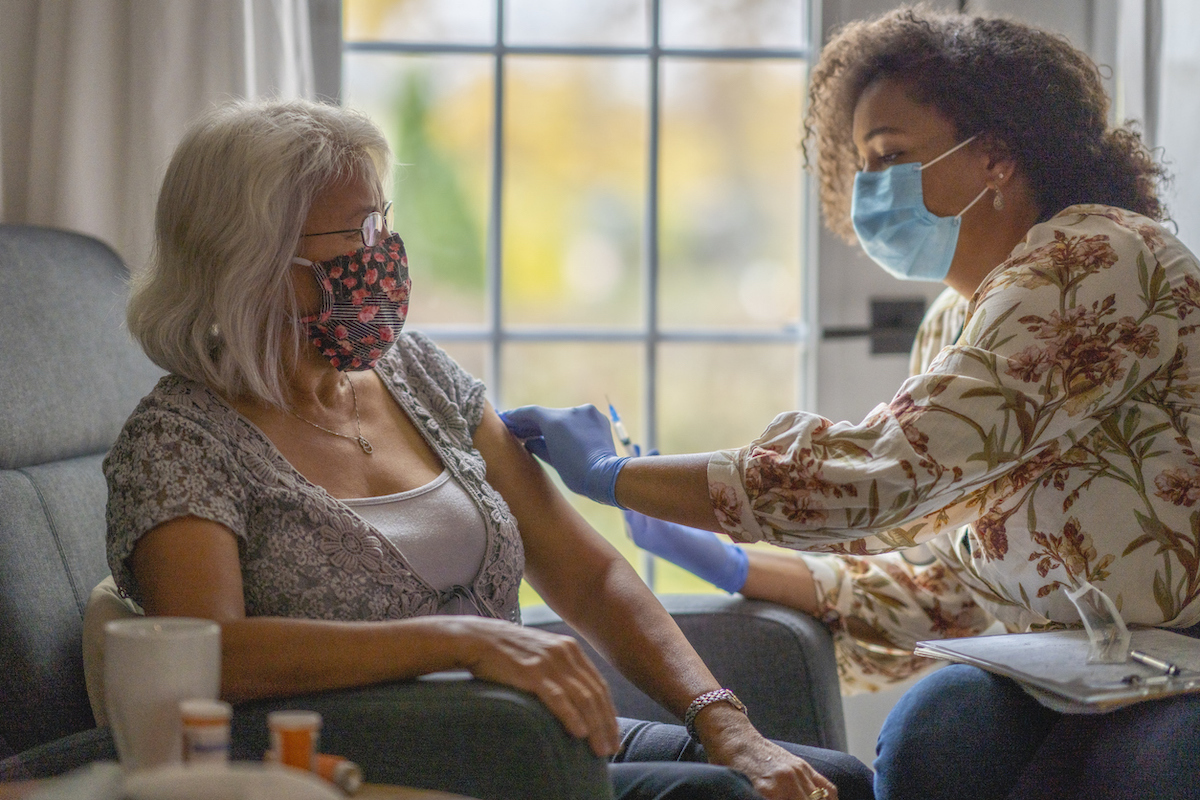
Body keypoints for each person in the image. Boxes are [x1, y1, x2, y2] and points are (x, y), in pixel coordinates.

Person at [501, 7, 1200, 800]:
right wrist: (734, 563)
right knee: (937, 734)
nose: (871, 191)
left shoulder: (1098, 256)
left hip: (1184, 656)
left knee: (1146, 768)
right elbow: (947, 587)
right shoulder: (952, 322)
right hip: (1077, 664)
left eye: (893, 157)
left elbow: (887, 473)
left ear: (997, 155)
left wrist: (617, 474)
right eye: (862, 166)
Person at [103, 98, 873, 800]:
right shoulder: (179, 439)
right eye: (356, 235)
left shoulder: (417, 373)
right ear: (253, 259)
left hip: (526, 737)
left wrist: (723, 722)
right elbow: (212, 653)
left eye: (383, 224)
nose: (384, 255)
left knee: (831, 782)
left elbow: (589, 574)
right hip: (372, 757)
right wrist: (459, 640)